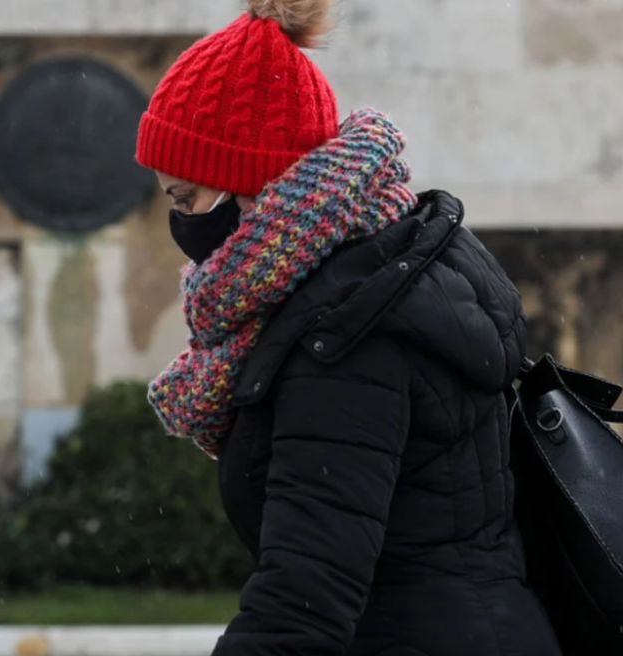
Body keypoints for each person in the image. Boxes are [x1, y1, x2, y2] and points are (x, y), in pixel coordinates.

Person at [137, 1, 563, 654]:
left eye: (187, 199)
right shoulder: (393, 268)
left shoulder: (346, 333)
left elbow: (304, 597)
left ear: (251, 188)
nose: (183, 227)